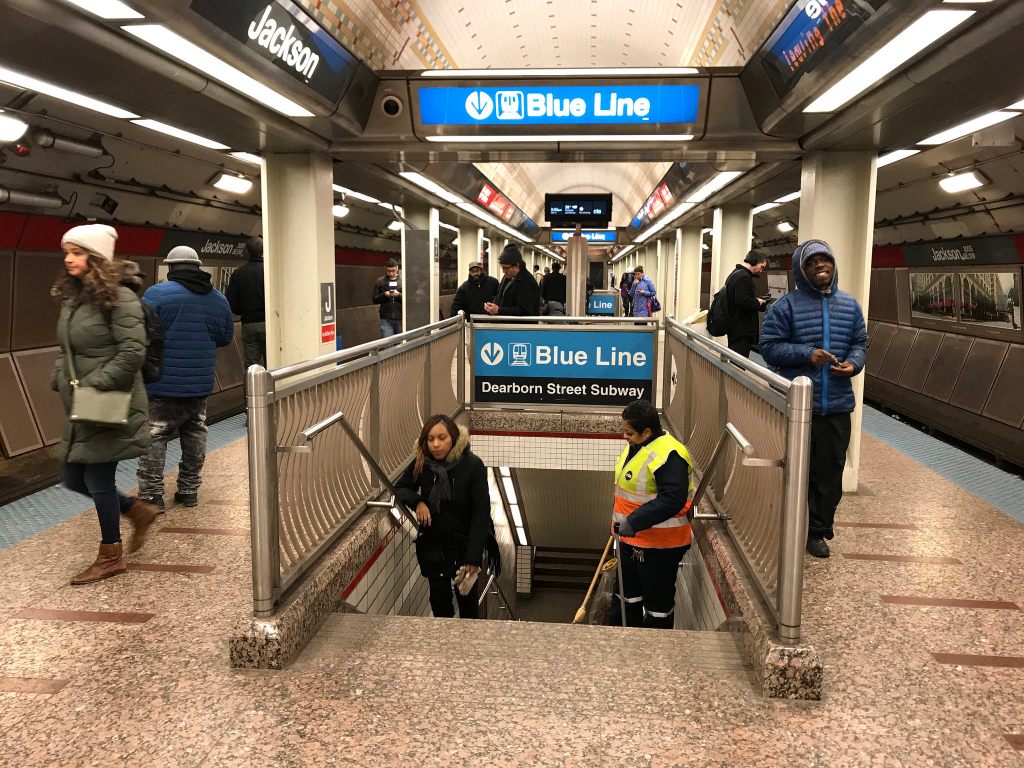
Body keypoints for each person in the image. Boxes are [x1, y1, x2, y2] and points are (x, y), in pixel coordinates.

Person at [50, 224, 158, 585]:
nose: (68, 259)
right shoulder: (74, 298)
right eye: (67, 252)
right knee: (71, 476)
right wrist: (58, 375)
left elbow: (132, 352)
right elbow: (68, 349)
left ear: (96, 258)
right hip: (81, 403)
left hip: (107, 400)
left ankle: (110, 555)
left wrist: (94, 384)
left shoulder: (121, 299)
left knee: (96, 476)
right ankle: (136, 510)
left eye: (77, 252)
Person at [759, 239, 868, 559]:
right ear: (801, 270)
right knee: (796, 470)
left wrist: (854, 364)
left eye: (825, 260)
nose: (821, 266)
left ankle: (818, 531)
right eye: (812, 262)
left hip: (836, 404)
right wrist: (808, 355)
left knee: (830, 472)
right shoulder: (786, 307)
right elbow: (769, 347)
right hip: (797, 407)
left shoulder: (849, 306)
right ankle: (793, 524)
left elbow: (860, 343)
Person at [137, 246, 234, 511]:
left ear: (171, 267)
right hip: (199, 382)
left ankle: (152, 496)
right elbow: (225, 338)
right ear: (198, 267)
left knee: (155, 436)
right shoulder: (218, 299)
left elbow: (140, 333)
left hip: (162, 382)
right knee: (194, 432)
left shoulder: (156, 294)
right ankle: (189, 491)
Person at [395, 415, 492, 619]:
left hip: (463, 548)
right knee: (439, 602)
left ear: (454, 439)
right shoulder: (422, 463)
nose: (436, 444)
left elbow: (480, 514)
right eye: (430, 439)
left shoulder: (473, 465)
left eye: (442, 438)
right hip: (434, 547)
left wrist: (473, 557)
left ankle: (467, 648)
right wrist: (418, 502)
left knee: (468, 606)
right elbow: (401, 488)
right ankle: (444, 647)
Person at [610, 400, 695, 629]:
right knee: (627, 597)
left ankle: (654, 653)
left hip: (660, 546)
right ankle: (623, 639)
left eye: (629, 432)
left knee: (657, 607)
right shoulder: (639, 445)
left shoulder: (670, 455)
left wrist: (633, 522)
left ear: (646, 431)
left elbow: (672, 500)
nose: (624, 437)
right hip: (631, 539)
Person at [225, 235, 265, 369]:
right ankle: (274, 389)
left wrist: (243, 311)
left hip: (249, 323)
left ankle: (252, 389)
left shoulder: (238, 274)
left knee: (251, 364)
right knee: (272, 362)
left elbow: (230, 301)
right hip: (269, 323)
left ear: (247, 251)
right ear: (263, 251)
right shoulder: (270, 272)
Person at [724, 249, 769, 358]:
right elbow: (743, 301)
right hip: (741, 330)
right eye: (761, 266)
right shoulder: (744, 277)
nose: (761, 271)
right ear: (755, 261)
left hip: (735, 327)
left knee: (734, 359)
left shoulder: (735, 273)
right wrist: (758, 302)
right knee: (738, 363)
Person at [484, 244, 540, 317]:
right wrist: (492, 307)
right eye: (502, 268)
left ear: (516, 265)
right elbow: (500, 297)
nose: (503, 271)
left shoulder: (528, 282)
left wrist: (499, 310)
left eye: (505, 268)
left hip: (520, 327)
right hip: (505, 324)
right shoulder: (507, 277)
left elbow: (525, 310)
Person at [373, 258, 403, 337]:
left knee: (400, 344)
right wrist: (384, 295)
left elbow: (409, 299)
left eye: (393, 270)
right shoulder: (380, 281)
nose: (391, 273)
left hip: (401, 317)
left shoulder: (403, 281)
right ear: (385, 269)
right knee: (388, 345)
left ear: (397, 268)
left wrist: (399, 295)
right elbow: (375, 299)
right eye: (389, 271)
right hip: (385, 318)